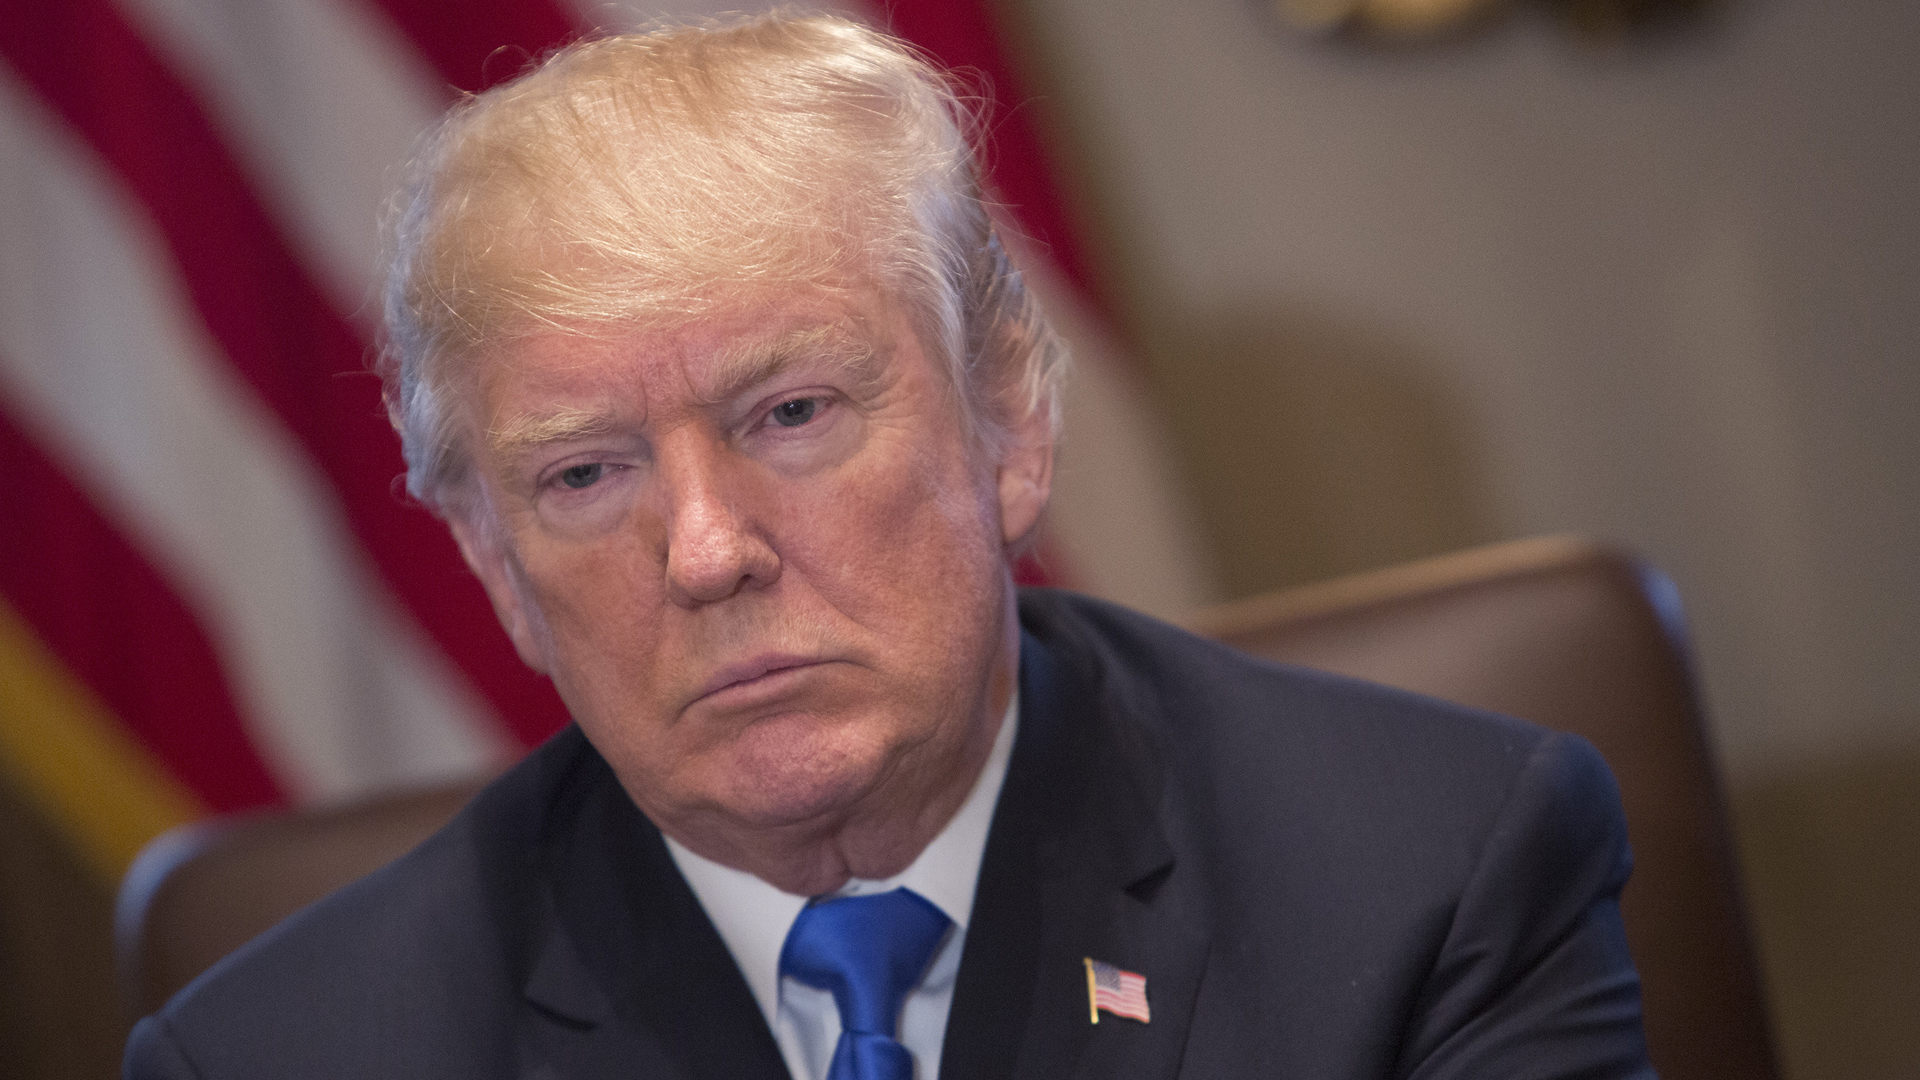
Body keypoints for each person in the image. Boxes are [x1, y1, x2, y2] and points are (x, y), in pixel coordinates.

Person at [125, 14, 1653, 1080]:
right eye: (586, 474)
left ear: (1010, 426)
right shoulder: (287, 1054)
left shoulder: (1427, 873)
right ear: (491, 563)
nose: (708, 551)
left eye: (790, 412)